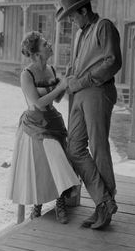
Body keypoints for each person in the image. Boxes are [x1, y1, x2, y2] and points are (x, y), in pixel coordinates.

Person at [56, 0, 122, 229]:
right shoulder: (80, 35)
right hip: (79, 95)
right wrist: (64, 84)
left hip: (97, 91)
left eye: (74, 16)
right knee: (74, 148)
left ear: (84, 10)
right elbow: (75, 65)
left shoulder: (104, 27)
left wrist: (81, 82)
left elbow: (113, 61)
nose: (73, 21)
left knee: (99, 147)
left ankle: (105, 205)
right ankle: (103, 201)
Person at [6, 31, 80, 224]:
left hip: (52, 120)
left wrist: (64, 84)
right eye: (45, 44)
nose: (50, 45)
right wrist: (60, 86)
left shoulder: (51, 70)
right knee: (40, 164)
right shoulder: (27, 74)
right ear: (37, 53)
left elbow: (55, 99)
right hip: (34, 124)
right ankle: (37, 205)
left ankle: (60, 202)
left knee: (59, 162)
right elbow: (38, 103)